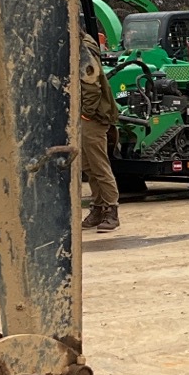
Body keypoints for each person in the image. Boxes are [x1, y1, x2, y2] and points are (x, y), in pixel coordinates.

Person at [77, 18, 122, 230]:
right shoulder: (81, 44)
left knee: (99, 165)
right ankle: (98, 207)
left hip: (92, 118)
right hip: (86, 116)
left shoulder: (83, 48)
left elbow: (91, 86)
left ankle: (111, 210)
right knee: (89, 165)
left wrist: (86, 113)